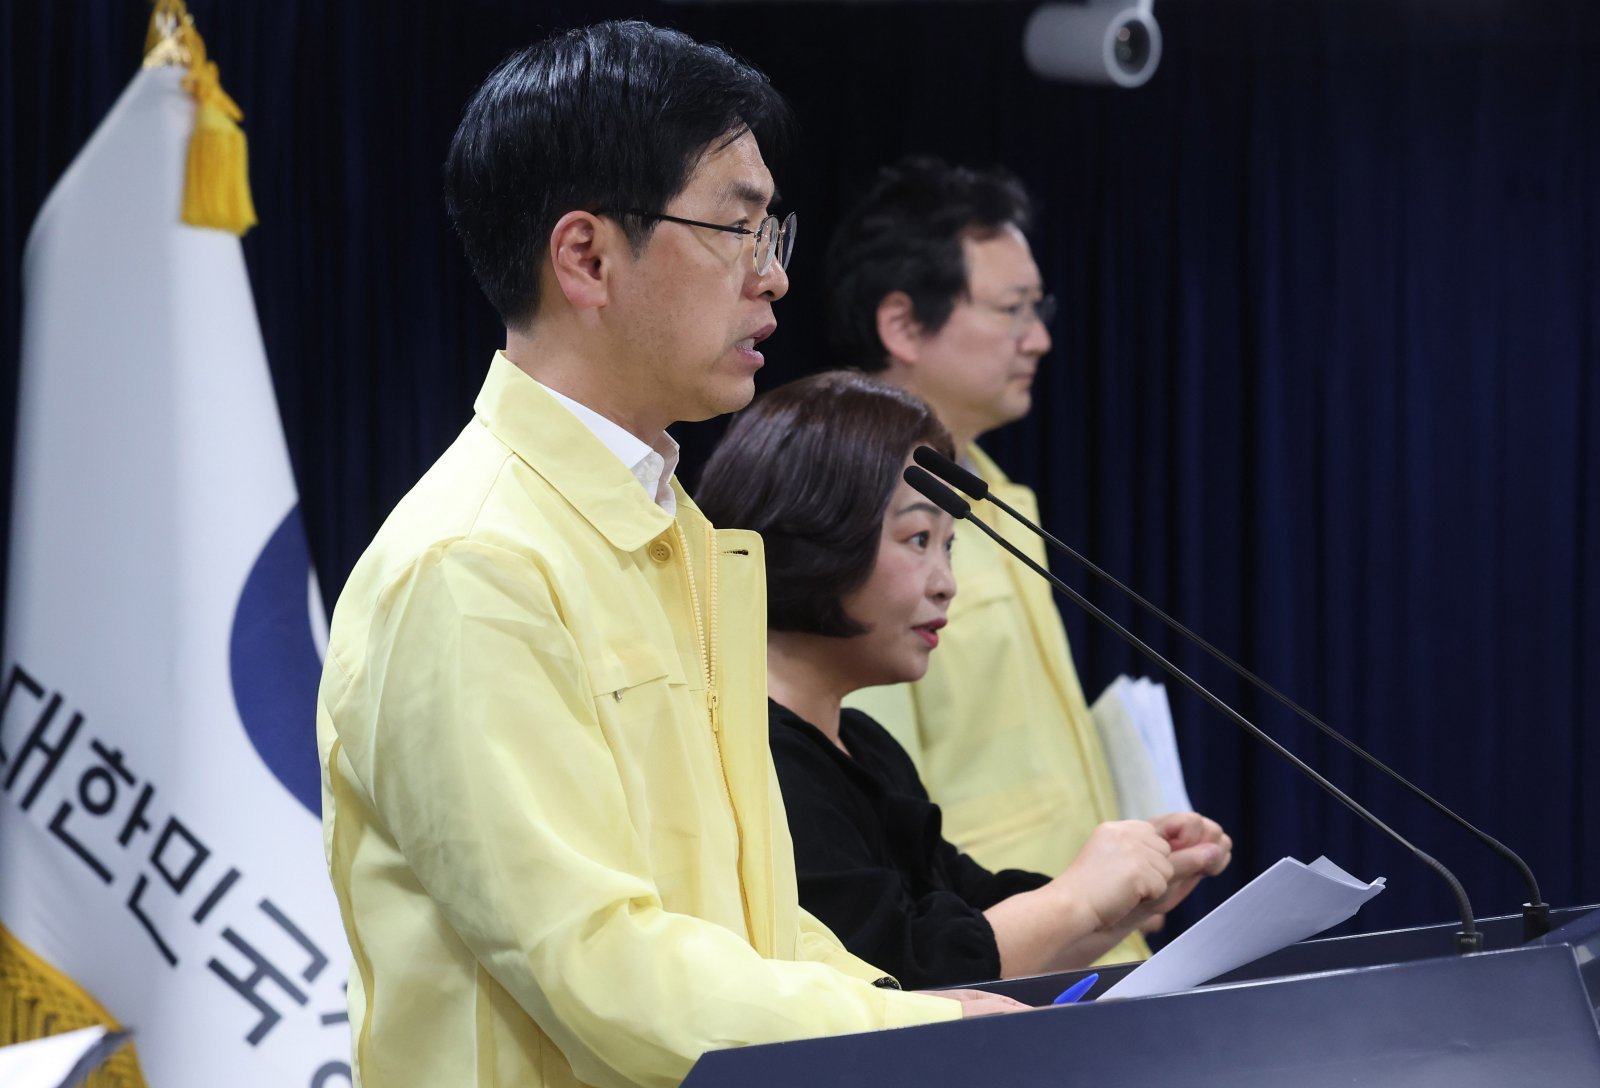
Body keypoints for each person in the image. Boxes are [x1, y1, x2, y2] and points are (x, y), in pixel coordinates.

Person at [316, 26, 1019, 1088]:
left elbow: (749, 911)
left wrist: (909, 1009)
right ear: (587, 258)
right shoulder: (473, 562)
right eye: (737, 229)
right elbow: (598, 958)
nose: (772, 277)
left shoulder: (675, 529)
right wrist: (906, 1029)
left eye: (772, 232)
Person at [696, 371, 1230, 989]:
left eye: (948, 547)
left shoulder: (864, 745)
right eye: (918, 539)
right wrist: (1078, 898)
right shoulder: (756, 757)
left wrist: (1131, 891)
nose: (946, 583)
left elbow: (971, 917)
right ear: (815, 531)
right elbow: (899, 977)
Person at [826, 156, 1218, 963]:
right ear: (903, 325)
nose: (1038, 338)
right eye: (1012, 310)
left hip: (1080, 939)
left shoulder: (995, 491)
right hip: (980, 963)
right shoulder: (849, 511)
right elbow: (869, 798)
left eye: (1039, 309)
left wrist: (1129, 860)